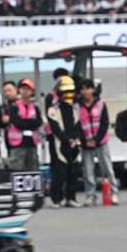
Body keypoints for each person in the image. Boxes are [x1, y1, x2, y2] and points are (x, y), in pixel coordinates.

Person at [46, 75, 84, 208]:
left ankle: (71, 197)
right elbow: (55, 128)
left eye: (71, 91)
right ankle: (56, 199)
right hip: (58, 145)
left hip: (73, 145)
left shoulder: (73, 108)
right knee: (59, 173)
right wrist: (67, 140)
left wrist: (76, 139)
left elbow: (77, 126)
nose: (69, 94)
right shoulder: (53, 108)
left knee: (73, 172)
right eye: (65, 91)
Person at [77, 79, 115, 206]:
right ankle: (90, 195)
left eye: (88, 88)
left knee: (107, 169)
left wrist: (96, 140)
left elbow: (104, 124)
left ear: (93, 89)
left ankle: (113, 192)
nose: (85, 91)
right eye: (82, 89)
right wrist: (84, 141)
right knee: (88, 171)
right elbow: (77, 126)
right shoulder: (77, 107)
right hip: (86, 144)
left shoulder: (101, 105)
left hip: (101, 143)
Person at [4, 78, 42, 170]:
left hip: (32, 143)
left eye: (28, 89)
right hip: (18, 144)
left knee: (33, 168)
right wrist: (30, 123)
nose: (25, 91)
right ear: (19, 91)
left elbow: (38, 122)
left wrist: (25, 122)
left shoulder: (35, 107)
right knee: (17, 169)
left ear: (32, 92)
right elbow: (17, 122)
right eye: (23, 89)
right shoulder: (14, 107)